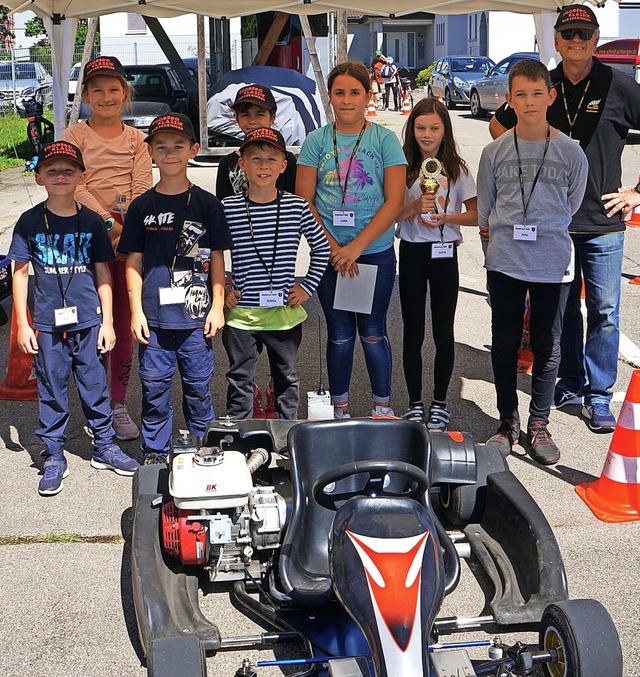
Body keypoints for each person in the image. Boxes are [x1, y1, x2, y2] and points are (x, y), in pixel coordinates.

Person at [490, 5, 640, 433]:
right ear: (556, 39)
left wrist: (635, 194)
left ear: (596, 38)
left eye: (585, 32)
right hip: (551, 227)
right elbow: (499, 130)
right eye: (569, 32)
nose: (577, 39)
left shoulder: (620, 85)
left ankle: (599, 397)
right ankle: (570, 383)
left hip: (603, 222)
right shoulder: (543, 85)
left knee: (605, 311)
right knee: (563, 315)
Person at [8, 141, 140, 496]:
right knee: (51, 386)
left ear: (82, 176)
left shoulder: (93, 222)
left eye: (69, 169)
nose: (61, 176)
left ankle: (104, 446)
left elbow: (103, 273)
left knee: (94, 383)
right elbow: (19, 274)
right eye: (52, 170)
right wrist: (22, 322)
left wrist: (109, 321)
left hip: (89, 320)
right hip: (49, 323)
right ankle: (52, 454)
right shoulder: (30, 222)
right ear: (39, 178)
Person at [478, 59, 588, 465]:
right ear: (509, 100)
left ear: (551, 96)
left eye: (536, 94)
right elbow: (486, 208)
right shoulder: (493, 152)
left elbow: (571, 205)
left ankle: (538, 422)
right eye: (520, 95)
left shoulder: (571, 152)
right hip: (505, 262)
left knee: (547, 344)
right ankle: (508, 421)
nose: (528, 102)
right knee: (505, 344)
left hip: (552, 265)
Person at [118, 113, 232, 464]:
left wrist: (217, 305)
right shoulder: (140, 207)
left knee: (198, 388)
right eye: (161, 146)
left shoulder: (207, 204)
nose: (170, 153)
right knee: (154, 389)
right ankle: (154, 450)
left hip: (196, 318)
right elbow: (132, 262)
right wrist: (135, 311)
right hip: (153, 319)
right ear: (149, 151)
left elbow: (216, 259)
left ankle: (203, 445)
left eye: (178, 146)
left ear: (193, 150)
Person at [296, 61, 407, 418]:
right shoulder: (316, 140)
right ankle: (339, 408)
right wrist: (333, 248)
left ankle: (382, 407)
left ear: (367, 96)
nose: (346, 100)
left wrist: (356, 248)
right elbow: (305, 200)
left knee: (373, 333)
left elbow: (395, 201)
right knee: (340, 334)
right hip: (329, 256)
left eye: (354, 92)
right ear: (330, 97)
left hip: (372, 253)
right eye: (339, 93)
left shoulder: (384, 139)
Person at [64, 56, 153, 442]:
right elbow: (73, 182)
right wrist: (107, 223)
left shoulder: (137, 140)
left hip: (126, 247)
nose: (105, 96)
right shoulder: (74, 137)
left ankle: (116, 403)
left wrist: (126, 231)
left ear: (124, 92)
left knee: (121, 324)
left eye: (113, 88)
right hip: (86, 242)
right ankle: (92, 403)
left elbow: (142, 188)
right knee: (86, 325)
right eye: (97, 89)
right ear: (85, 94)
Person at [221, 127, 330, 419]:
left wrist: (306, 288)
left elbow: (321, 249)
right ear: (241, 162)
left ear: (284, 165)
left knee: (286, 378)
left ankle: (287, 434)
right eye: (255, 158)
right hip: (241, 315)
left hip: (283, 314)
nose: (263, 166)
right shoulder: (227, 208)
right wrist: (221, 289)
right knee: (239, 378)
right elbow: (209, 254)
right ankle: (239, 434)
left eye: (271, 159)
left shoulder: (296, 206)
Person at [215, 83, 298, 418]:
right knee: (241, 366)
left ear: (273, 116)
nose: (251, 119)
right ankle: (242, 421)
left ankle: (282, 418)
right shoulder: (226, 165)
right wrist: (226, 285)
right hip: (243, 280)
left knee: (284, 367)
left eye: (259, 113)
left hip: (278, 281)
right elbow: (219, 234)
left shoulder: (288, 161)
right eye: (244, 113)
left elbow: (294, 216)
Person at [396, 98, 478, 430]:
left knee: (443, 332)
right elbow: (389, 215)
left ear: (445, 130)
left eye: (434, 128)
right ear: (411, 129)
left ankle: (440, 403)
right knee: (413, 332)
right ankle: (415, 403)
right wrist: (414, 207)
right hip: (413, 253)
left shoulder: (457, 169)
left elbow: (475, 214)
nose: (426, 135)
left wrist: (448, 216)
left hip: (445, 254)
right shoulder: (401, 166)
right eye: (420, 128)